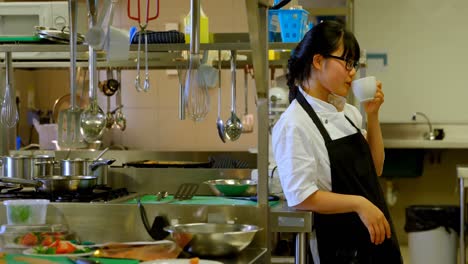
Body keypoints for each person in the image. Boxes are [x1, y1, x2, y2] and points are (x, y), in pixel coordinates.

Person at [272, 20, 403, 264]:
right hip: (339, 249)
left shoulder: (349, 113)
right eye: (347, 62)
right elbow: (301, 196)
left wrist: (372, 115)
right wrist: (359, 204)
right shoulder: (294, 124)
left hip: (374, 241)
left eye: (354, 63)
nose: (352, 71)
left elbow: (375, 168)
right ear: (318, 61)